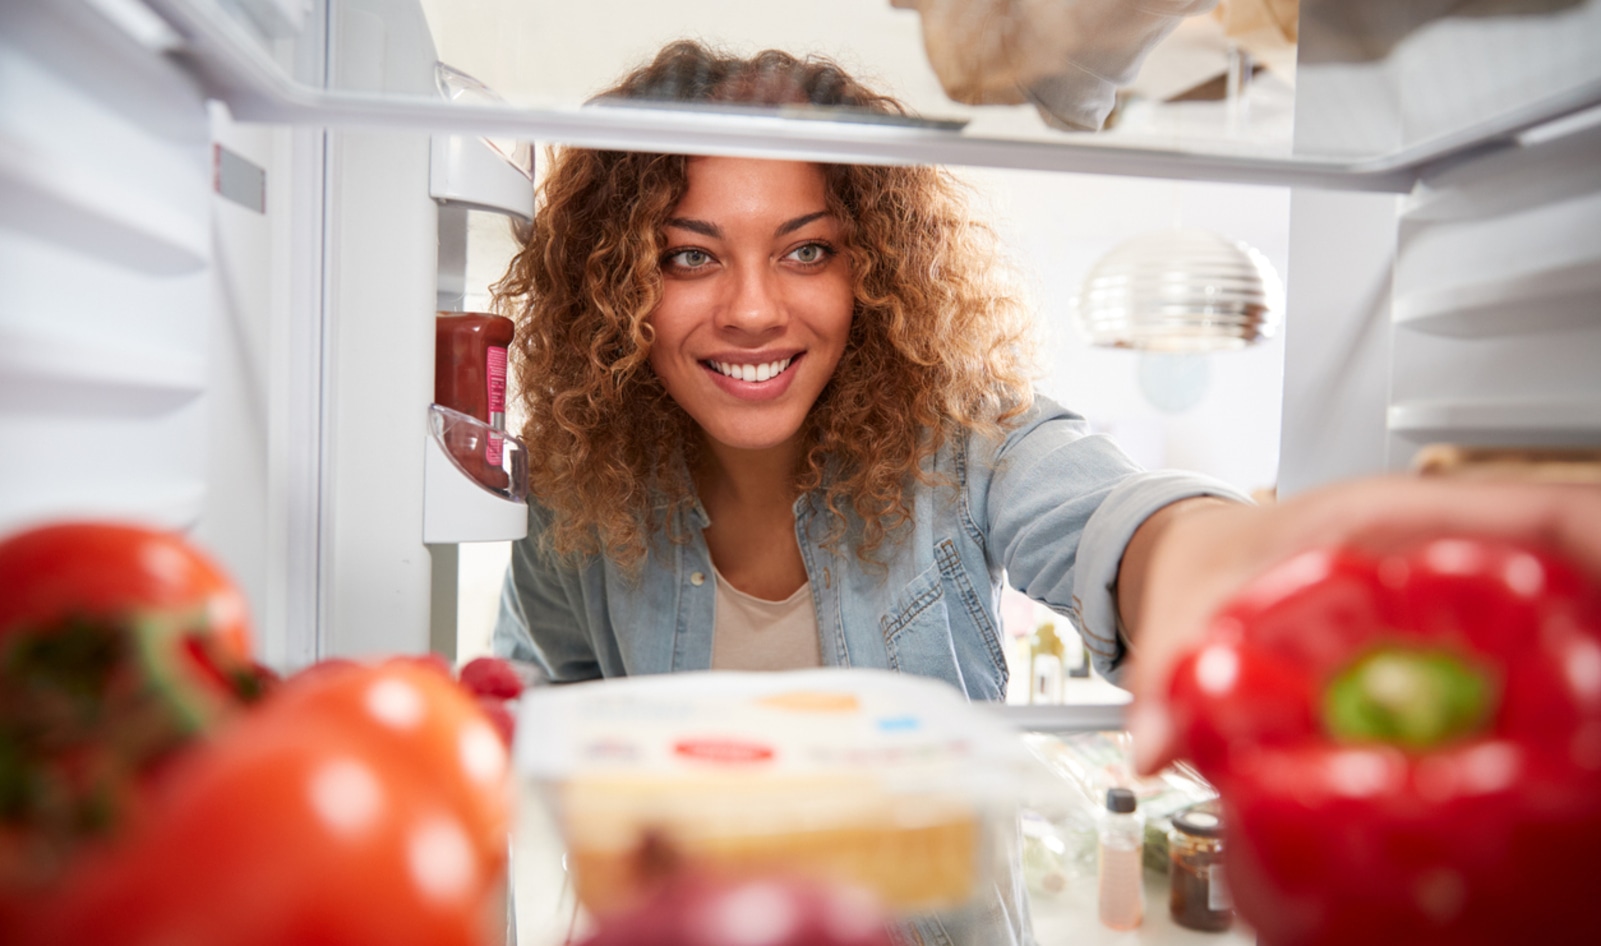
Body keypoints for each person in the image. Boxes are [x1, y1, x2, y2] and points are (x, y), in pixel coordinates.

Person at [491, 39, 1601, 945]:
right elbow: (552, 710)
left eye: (807, 251)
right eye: (689, 257)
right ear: (616, 286)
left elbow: (1110, 519)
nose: (748, 309)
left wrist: (1212, 562)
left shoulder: (962, 443)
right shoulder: (579, 492)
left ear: (870, 270)